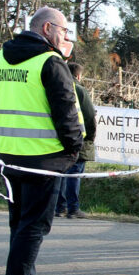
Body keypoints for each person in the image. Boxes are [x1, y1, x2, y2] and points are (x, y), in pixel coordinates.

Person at [0, 6, 83, 275]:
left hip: (10, 155)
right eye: (63, 31)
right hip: (45, 158)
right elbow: (66, 111)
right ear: (47, 29)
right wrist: (73, 149)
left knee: (20, 223)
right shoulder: (50, 62)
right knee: (34, 226)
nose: (65, 37)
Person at [55, 62, 96, 219]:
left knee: (61, 173)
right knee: (75, 173)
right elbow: (90, 115)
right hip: (78, 137)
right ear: (78, 75)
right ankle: (73, 208)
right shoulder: (79, 90)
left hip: (58, 137)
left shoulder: (57, 86)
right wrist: (90, 137)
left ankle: (60, 207)